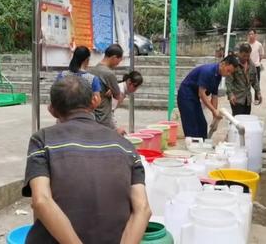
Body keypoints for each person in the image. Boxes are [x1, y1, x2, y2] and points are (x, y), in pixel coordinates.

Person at [23, 76, 151, 244]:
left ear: (52, 110)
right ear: (95, 100)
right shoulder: (125, 145)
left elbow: (41, 200)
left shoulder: (42, 139)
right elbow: (143, 209)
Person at [177, 55, 240, 139]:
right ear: (223, 64)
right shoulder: (208, 71)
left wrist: (215, 118)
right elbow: (202, 94)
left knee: (202, 124)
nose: (228, 74)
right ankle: (193, 148)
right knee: (192, 125)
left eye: (230, 73)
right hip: (185, 95)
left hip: (194, 97)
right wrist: (214, 110)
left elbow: (214, 96)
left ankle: (202, 146)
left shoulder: (218, 75)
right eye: (228, 71)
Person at [89, 44, 124, 130]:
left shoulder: (93, 70)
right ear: (114, 57)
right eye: (119, 61)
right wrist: (112, 90)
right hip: (103, 116)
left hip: (92, 114)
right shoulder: (108, 74)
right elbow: (117, 95)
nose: (118, 64)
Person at [226, 43, 261, 116]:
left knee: (246, 120)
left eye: (248, 56)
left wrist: (258, 92)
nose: (245, 58)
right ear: (239, 53)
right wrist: (230, 94)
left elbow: (255, 80)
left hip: (247, 99)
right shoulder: (234, 64)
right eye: (244, 55)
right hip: (236, 99)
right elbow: (228, 81)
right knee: (237, 120)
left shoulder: (252, 65)